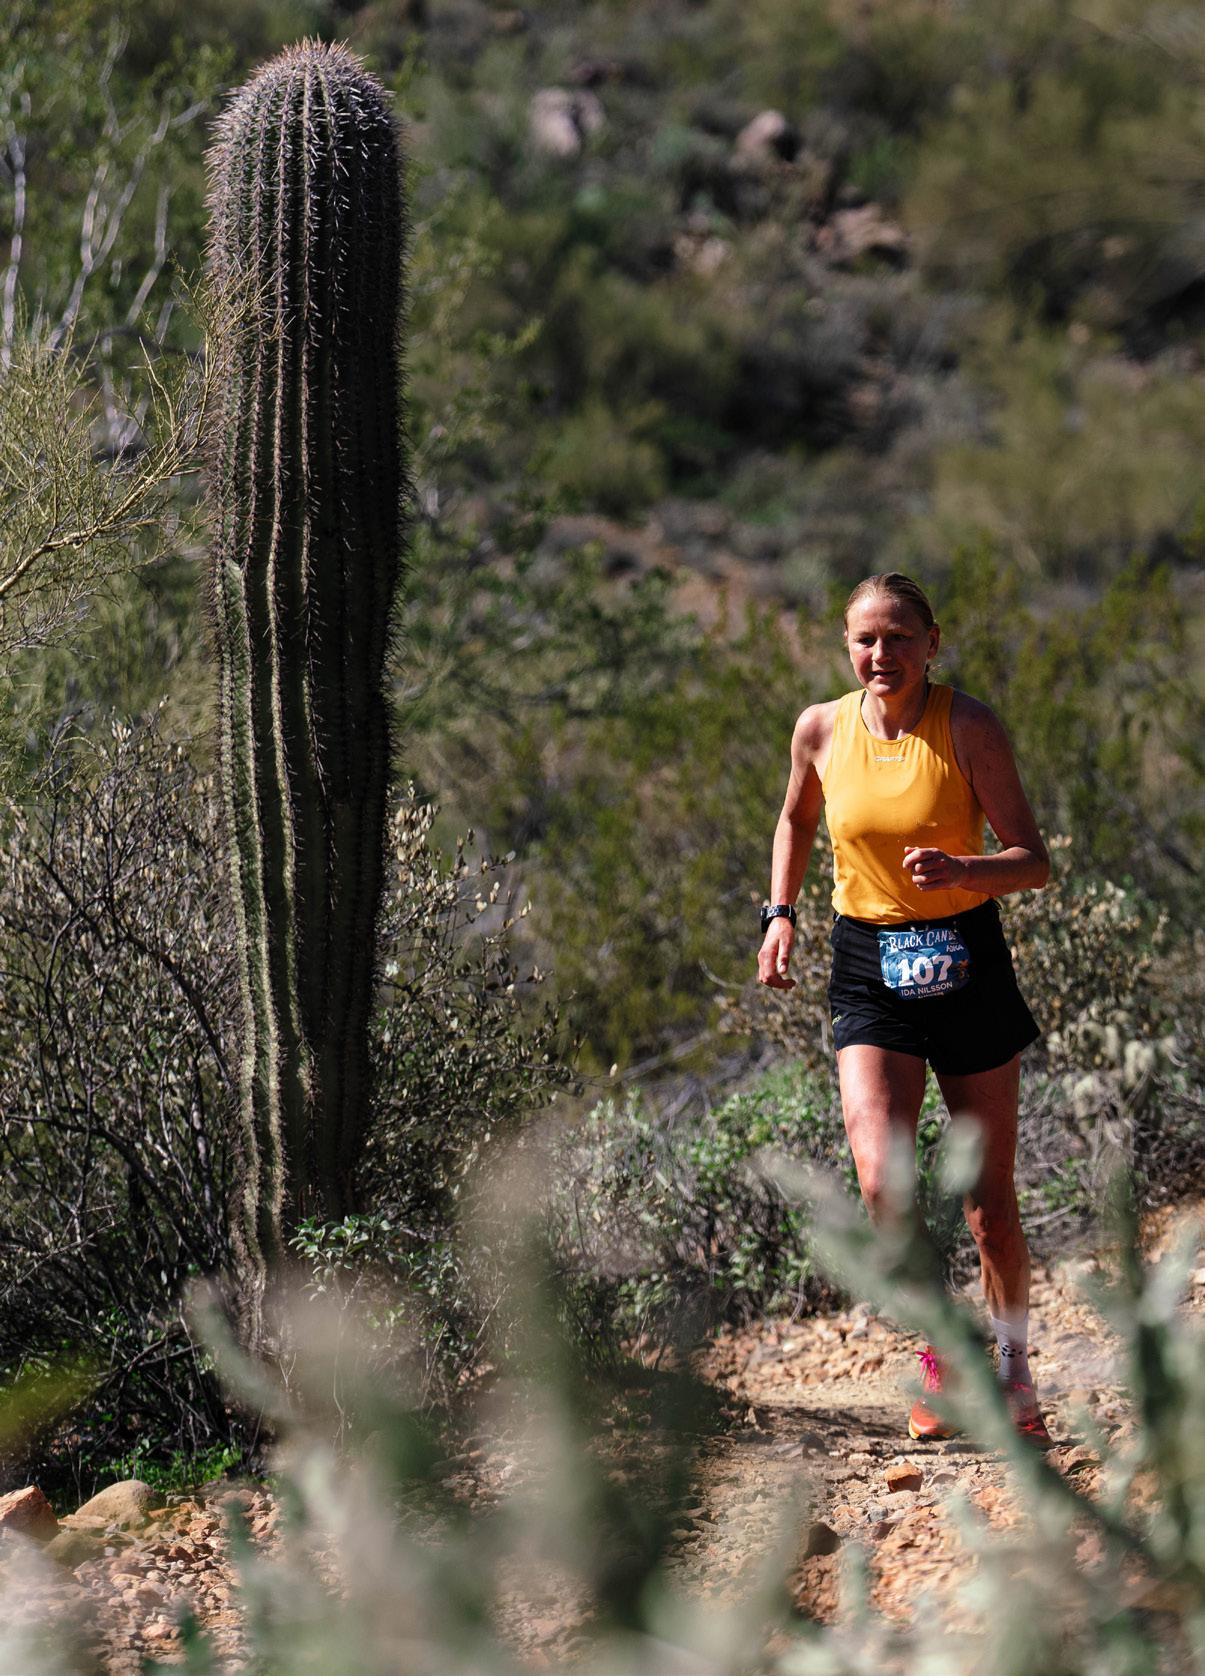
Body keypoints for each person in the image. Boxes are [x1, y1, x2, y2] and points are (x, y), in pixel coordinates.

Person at [757, 572, 1053, 1447]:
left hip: (966, 958)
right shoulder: (820, 728)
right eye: (865, 639)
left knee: (987, 1205)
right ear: (846, 646)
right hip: (867, 965)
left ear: (932, 643)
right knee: (882, 1183)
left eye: (898, 637)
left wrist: (965, 870)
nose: (880, 654)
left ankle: (1014, 1373)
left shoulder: (968, 726)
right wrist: (779, 913)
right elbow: (794, 820)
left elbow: (1032, 860)